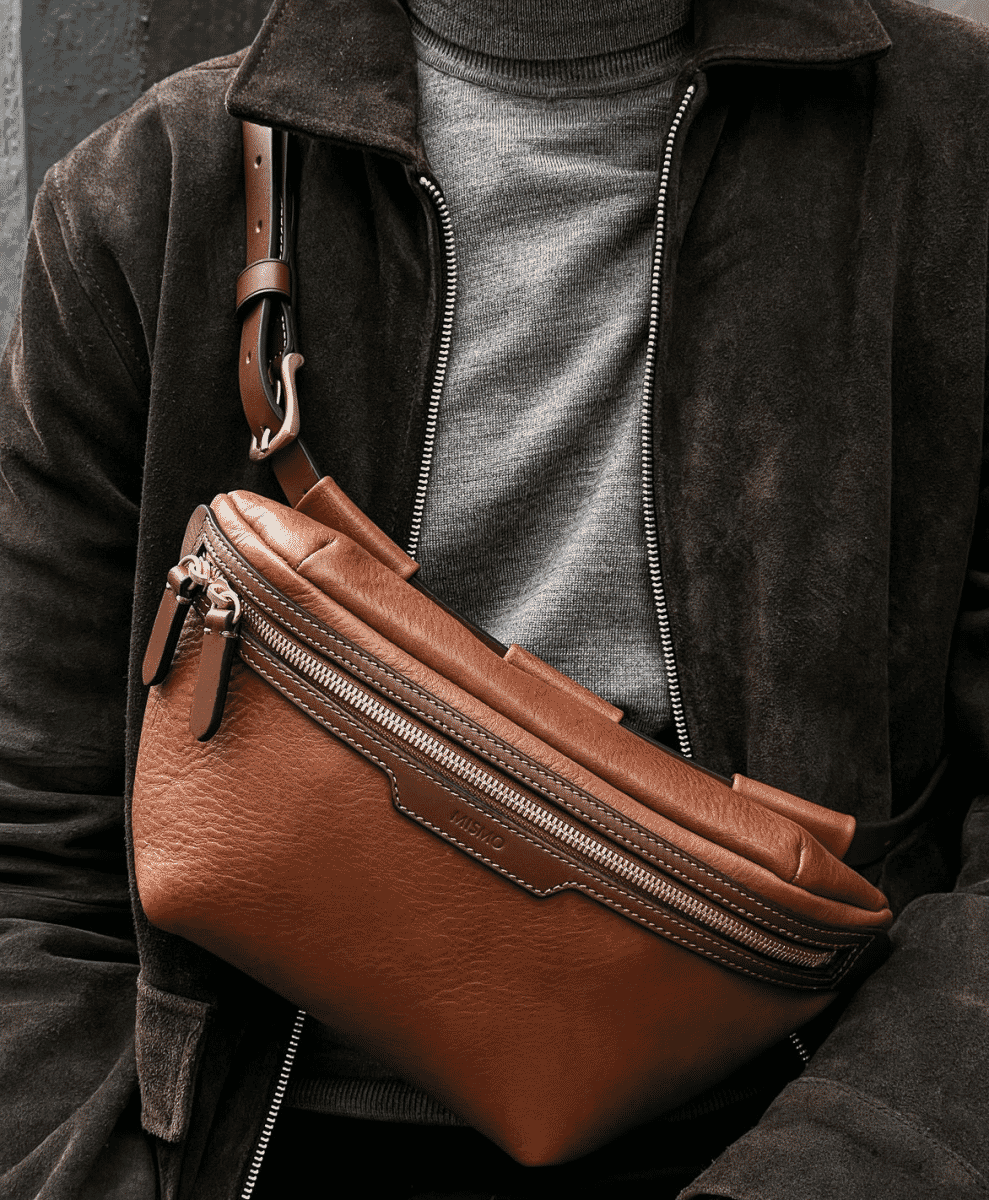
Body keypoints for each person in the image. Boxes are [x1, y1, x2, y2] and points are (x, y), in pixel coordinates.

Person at [2, 0, 989, 1196]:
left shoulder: (948, 141)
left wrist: (853, 1161)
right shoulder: (149, 195)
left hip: (794, 1104)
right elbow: (33, 853)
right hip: (254, 1139)